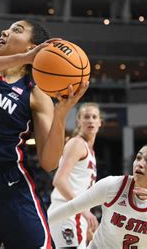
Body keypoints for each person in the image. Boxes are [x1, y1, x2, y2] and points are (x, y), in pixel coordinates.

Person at [0, 19, 89, 249]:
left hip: (9, 185)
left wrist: (61, 112)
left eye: (17, 30)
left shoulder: (35, 92)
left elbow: (49, 162)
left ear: (31, 47)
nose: (5, 31)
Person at [48, 144, 147, 248]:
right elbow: (71, 207)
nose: (140, 163)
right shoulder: (112, 186)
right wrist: (38, 225)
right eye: (138, 158)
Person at [48, 103, 102, 248]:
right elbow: (59, 180)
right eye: (86, 117)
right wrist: (84, 210)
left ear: (100, 122)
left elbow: (81, 189)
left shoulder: (90, 152)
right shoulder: (77, 144)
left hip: (75, 214)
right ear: (79, 121)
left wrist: (86, 225)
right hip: (67, 211)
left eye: (94, 117)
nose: (90, 120)